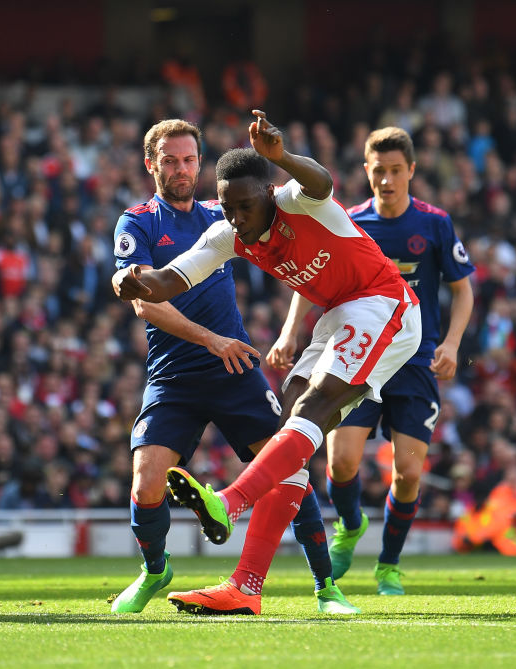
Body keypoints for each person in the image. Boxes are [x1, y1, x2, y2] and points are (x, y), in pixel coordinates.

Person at [112, 110, 421, 615]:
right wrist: (133, 283)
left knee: (313, 408)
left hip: (385, 303)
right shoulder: (226, 234)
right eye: (228, 209)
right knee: (288, 436)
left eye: (246, 206)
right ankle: (247, 586)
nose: (237, 218)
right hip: (336, 315)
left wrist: (283, 156)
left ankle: (230, 503)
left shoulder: (296, 199)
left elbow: (321, 182)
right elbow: (168, 280)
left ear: (268, 194)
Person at [268, 126, 474, 594]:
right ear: (366, 170)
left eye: (396, 171)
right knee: (341, 462)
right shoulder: (350, 220)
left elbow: (462, 291)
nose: (387, 180)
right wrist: (289, 331)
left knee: (409, 472)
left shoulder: (434, 223)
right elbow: (312, 277)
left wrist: (452, 344)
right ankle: (350, 523)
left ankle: (388, 565)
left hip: (415, 359)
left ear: (411, 171)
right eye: (379, 170)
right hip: (360, 353)